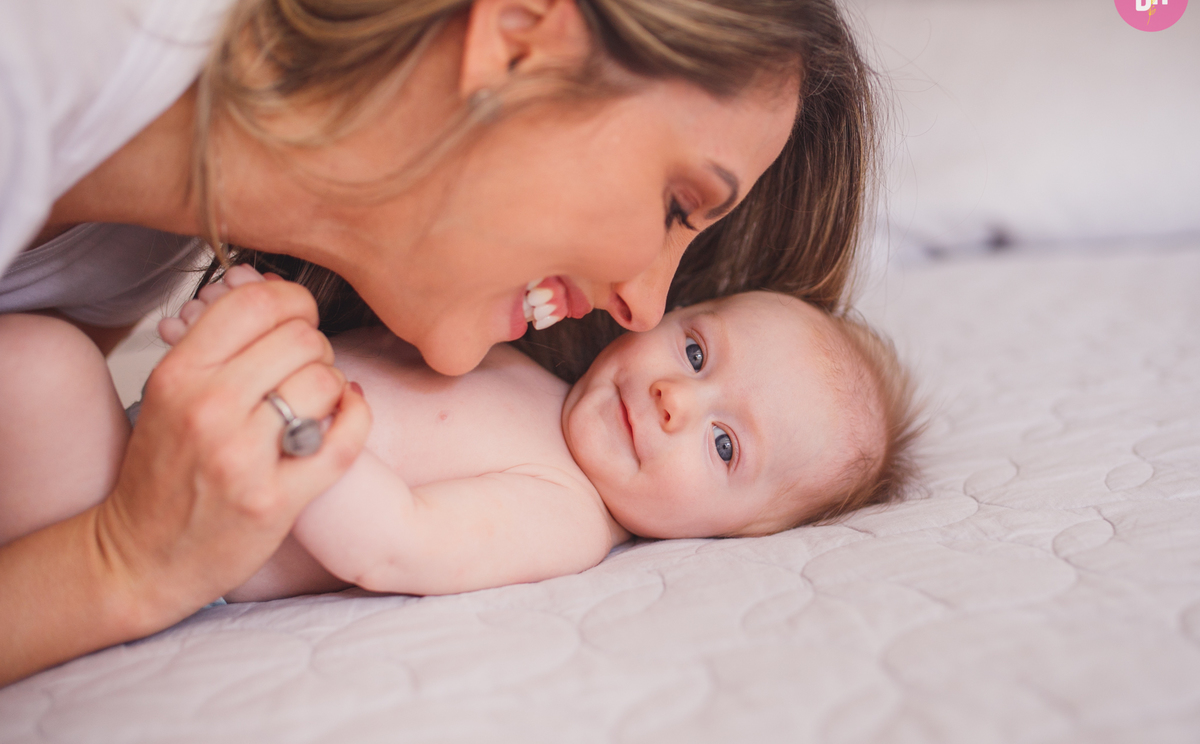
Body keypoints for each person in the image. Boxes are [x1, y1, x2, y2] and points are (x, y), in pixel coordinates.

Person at [0, 0, 877, 684]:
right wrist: (121, 562)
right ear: (521, 39)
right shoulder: (56, 33)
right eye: (677, 205)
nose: (645, 305)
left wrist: (130, 554)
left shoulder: (130, 248)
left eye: (726, 446)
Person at [0, 266, 920, 601]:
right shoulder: (527, 362)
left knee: (42, 368)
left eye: (725, 447)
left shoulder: (564, 515)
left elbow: (391, 543)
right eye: (695, 348)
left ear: (739, 536)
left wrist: (286, 391)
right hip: (156, 442)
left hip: (149, 514)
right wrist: (254, 328)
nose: (680, 399)